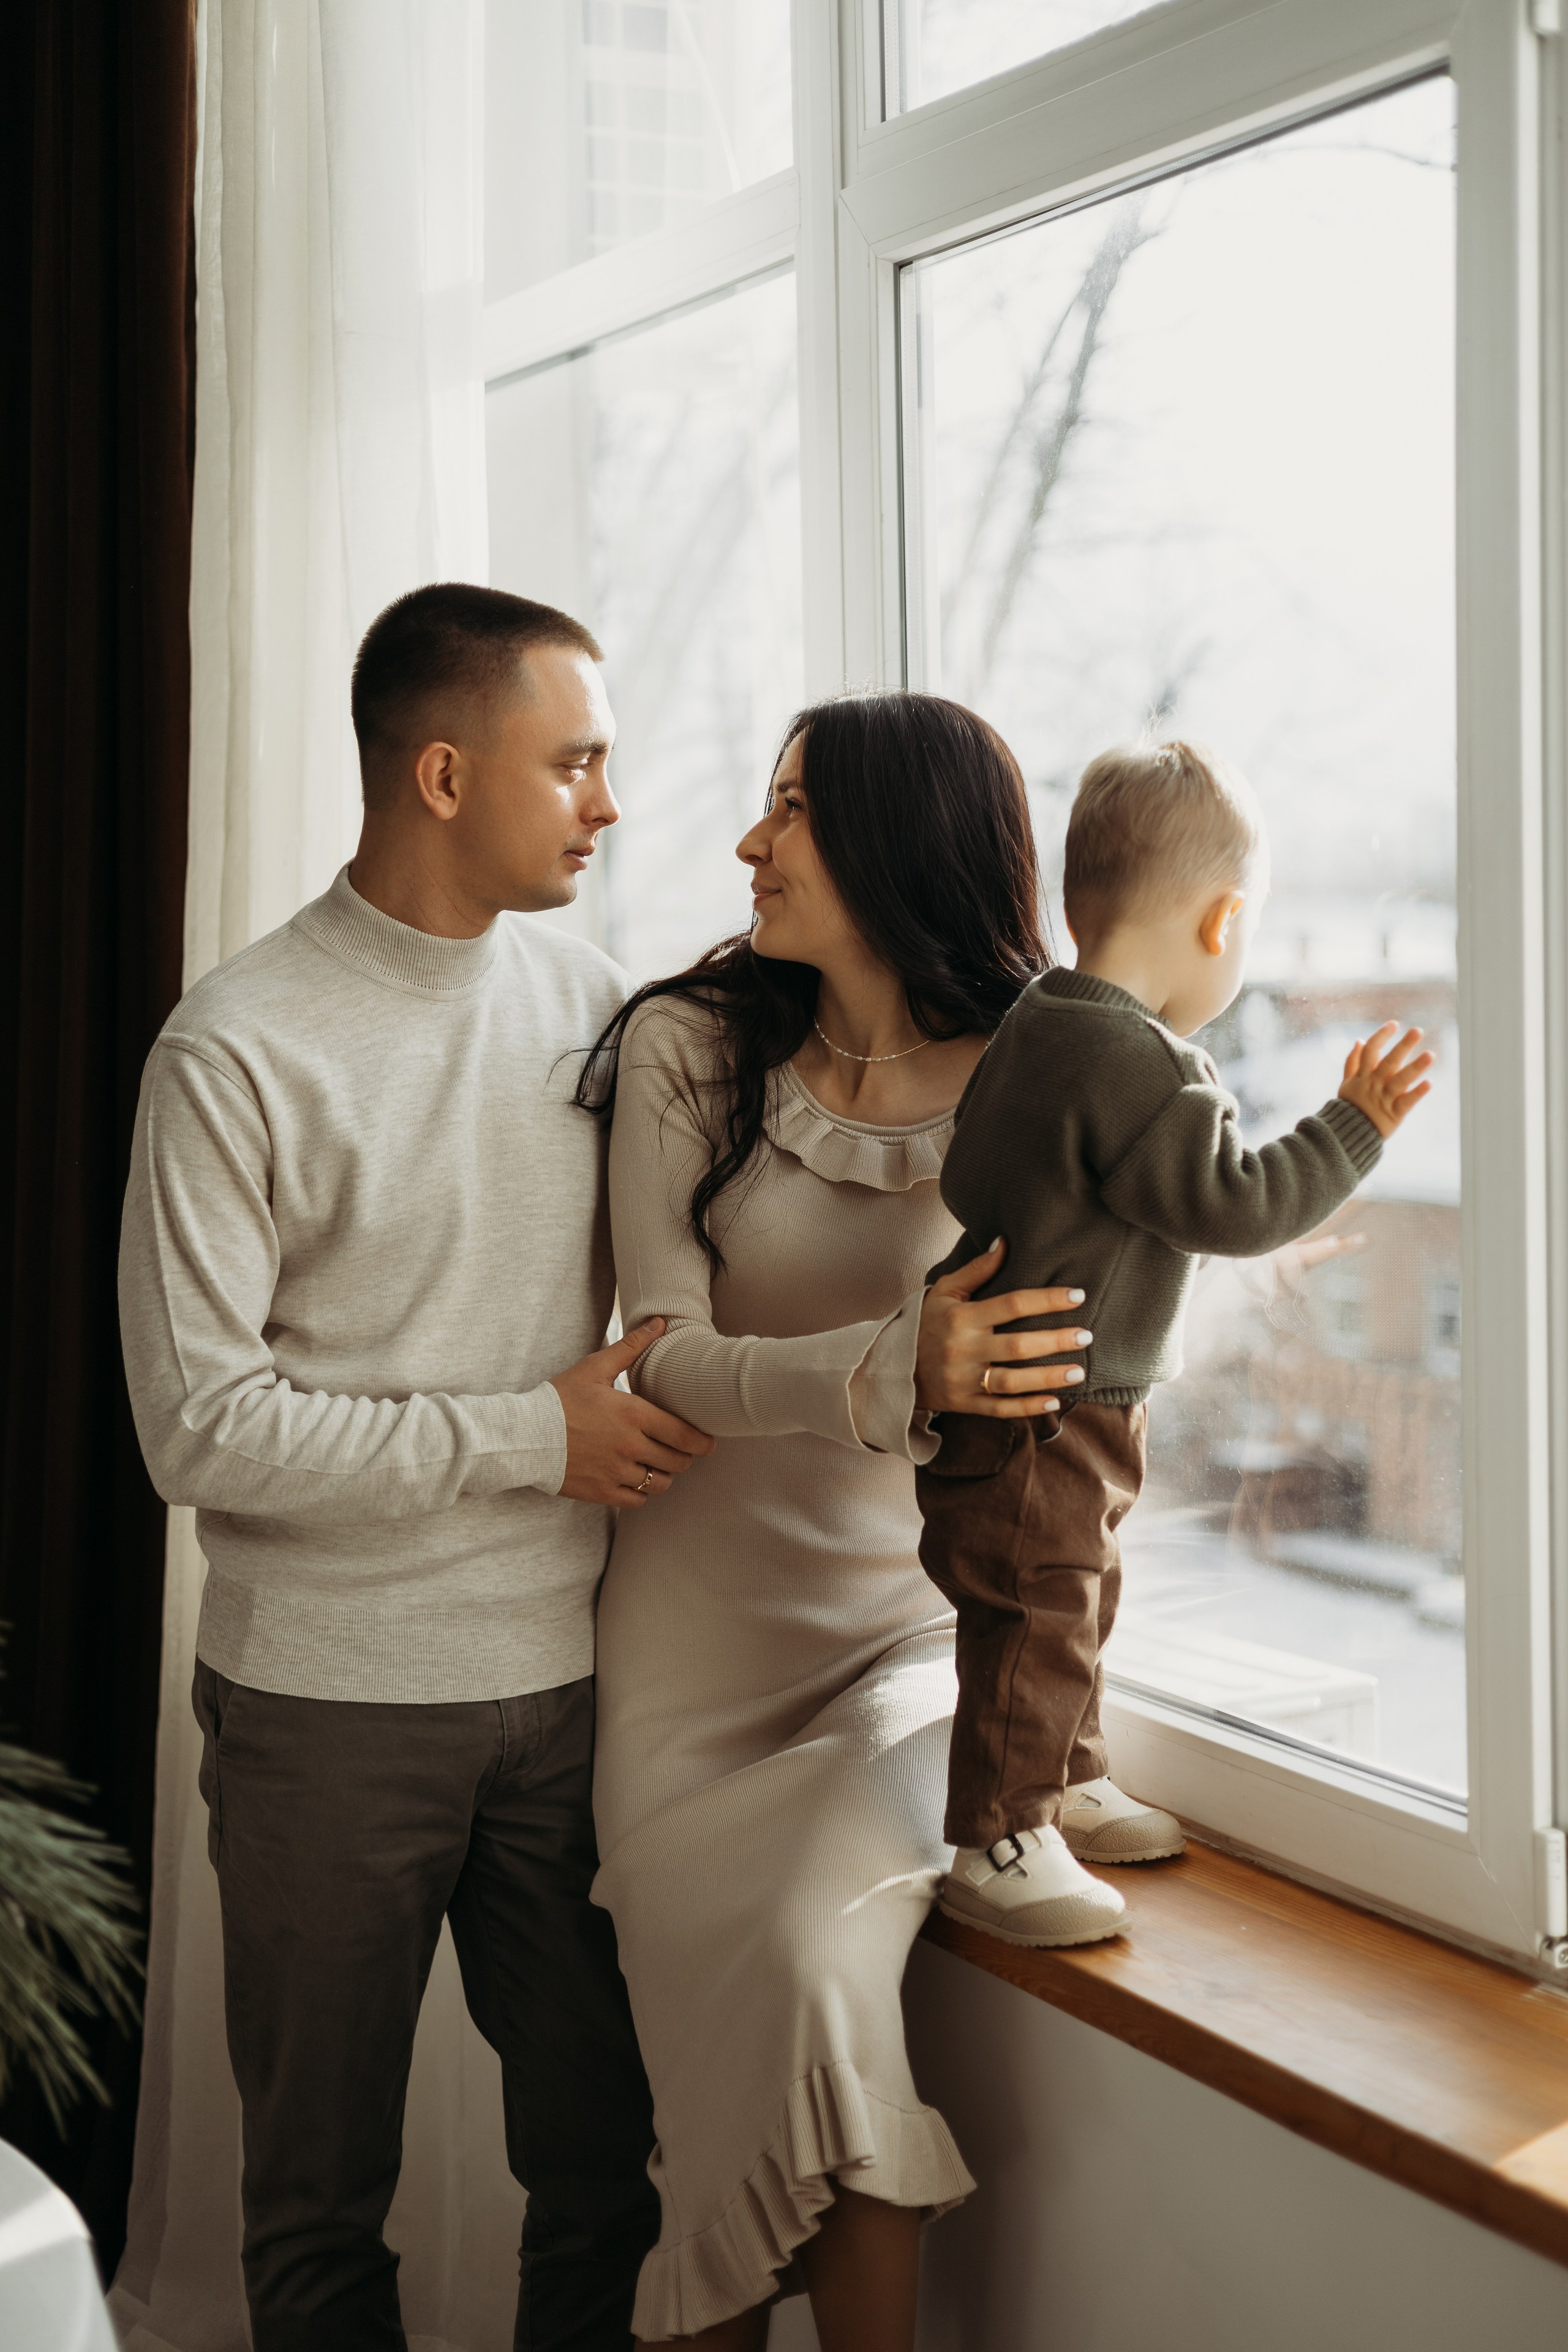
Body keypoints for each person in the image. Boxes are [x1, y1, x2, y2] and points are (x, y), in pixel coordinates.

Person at [118, 583, 716, 2352]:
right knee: (320, 2217)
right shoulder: (234, 1049)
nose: (610, 805)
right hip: (325, 1713)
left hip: (575, 1697)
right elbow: (198, 1426)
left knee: (609, 2171)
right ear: (446, 775)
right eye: (578, 763)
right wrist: (536, 1435)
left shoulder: (605, 1007)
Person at [581, 692, 1097, 2352]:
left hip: (908, 1654)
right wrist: (893, 1370)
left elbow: (1096, 1391)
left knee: (815, 1973)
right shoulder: (691, 1049)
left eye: (791, 809)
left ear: (900, 838)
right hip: (684, 1684)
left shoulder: (1045, 1074)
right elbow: (656, 1361)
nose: (751, 841)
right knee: (724, 2116)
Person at [920, 739, 1433, 1950]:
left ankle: (1066, 1781)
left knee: (1072, 1598)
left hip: (1020, 1403)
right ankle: (994, 1837)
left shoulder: (1037, 1025)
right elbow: (1238, 1201)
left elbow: (965, 1172)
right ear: (1221, 924)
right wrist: (1351, 1127)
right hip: (1053, 1410)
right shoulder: (1141, 1063)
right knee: (1039, 1614)